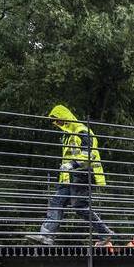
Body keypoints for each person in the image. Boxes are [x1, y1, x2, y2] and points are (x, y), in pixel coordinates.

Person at [26, 104, 113, 245]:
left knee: (79, 206)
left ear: (65, 117)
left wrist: (72, 165)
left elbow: (89, 154)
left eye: (58, 120)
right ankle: (46, 236)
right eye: (55, 121)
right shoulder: (67, 135)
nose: (57, 123)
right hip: (70, 177)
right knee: (57, 202)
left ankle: (105, 233)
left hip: (83, 174)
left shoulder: (82, 131)